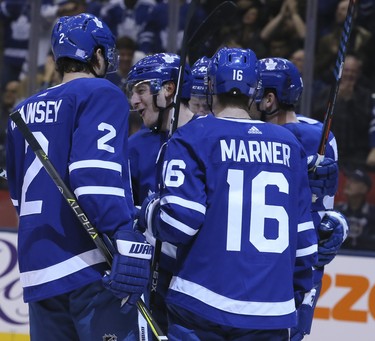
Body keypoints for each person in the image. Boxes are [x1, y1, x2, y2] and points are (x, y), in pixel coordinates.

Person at [138, 47, 318, 340]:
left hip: (202, 302)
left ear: (210, 87)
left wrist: (148, 210)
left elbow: (178, 223)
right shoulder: (289, 144)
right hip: (271, 312)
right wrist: (294, 301)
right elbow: (306, 246)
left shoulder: (194, 136)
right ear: (255, 90)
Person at [6, 13, 151, 340]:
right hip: (87, 262)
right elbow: (93, 175)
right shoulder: (101, 92)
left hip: (37, 266)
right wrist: (121, 233)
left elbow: (18, 194)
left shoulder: (23, 110)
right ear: (96, 55)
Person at [257, 57, 349, 340]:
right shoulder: (319, 135)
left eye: (254, 90)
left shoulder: (317, 137)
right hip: (273, 264)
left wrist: (336, 225)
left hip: (291, 267)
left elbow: (324, 210)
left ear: (269, 100)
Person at [126, 52, 195, 335]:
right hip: (149, 285)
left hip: (197, 289)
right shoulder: (134, 146)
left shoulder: (207, 142)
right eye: (132, 92)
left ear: (168, 89)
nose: (134, 101)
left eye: (141, 90)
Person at [335, 169, 375, 251]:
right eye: (349, 179)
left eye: (354, 181)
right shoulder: (337, 211)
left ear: (364, 189)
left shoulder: (372, 213)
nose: (348, 183)